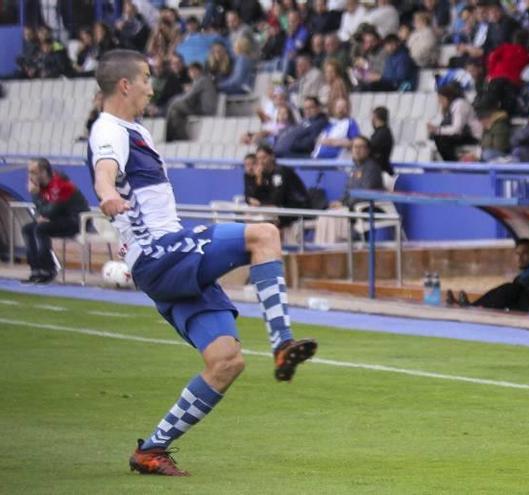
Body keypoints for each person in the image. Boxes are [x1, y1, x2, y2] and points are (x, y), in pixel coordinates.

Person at [88, 50, 317, 476]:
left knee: (226, 360)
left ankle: (152, 450)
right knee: (264, 233)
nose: (152, 88)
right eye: (146, 79)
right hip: (163, 253)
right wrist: (105, 194)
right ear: (125, 85)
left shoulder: (130, 129)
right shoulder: (111, 130)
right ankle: (283, 342)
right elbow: (105, 170)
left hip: (162, 265)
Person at [21, 158, 90, 283]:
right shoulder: (42, 185)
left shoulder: (60, 185)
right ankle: (36, 270)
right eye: (29, 172)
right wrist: (40, 210)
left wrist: (35, 195)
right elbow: (43, 212)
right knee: (27, 229)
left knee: (40, 229)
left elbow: (49, 212)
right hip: (60, 219)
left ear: (43, 172)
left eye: (33, 172)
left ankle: (48, 270)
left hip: (77, 221)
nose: (30, 176)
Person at [313, 136, 385, 244]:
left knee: (333, 217)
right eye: (355, 147)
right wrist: (340, 202)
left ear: (368, 150)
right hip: (350, 207)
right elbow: (347, 190)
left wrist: (345, 205)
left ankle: (336, 247)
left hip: (366, 209)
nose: (357, 150)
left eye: (361, 147)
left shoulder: (372, 168)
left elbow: (366, 193)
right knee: (325, 215)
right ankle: (325, 248)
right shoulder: (355, 168)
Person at [452, 238, 529, 311]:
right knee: (505, 289)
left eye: (525, 253)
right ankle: (473, 306)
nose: (520, 258)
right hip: (516, 308)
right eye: (517, 253)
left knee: (510, 288)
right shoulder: (520, 277)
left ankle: (474, 307)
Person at [247, 144, 311, 232]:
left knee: (267, 218)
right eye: (258, 159)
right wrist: (258, 180)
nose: (261, 162)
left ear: (272, 156)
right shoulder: (263, 174)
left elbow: (276, 198)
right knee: (249, 215)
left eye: (264, 157)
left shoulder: (280, 172)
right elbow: (255, 198)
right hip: (280, 208)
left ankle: (271, 244)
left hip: (296, 207)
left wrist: (261, 204)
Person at [165, 62, 218, 141]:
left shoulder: (203, 80)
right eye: (190, 72)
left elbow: (188, 98)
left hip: (205, 110)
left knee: (173, 105)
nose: (191, 73)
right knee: (174, 113)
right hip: (200, 108)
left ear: (198, 71)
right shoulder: (198, 81)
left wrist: (174, 99)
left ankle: (168, 137)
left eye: (193, 71)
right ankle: (182, 138)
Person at [429, 83, 481, 162]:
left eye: (441, 99)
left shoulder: (459, 105)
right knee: (435, 136)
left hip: (473, 135)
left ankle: (452, 163)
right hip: (464, 133)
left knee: (440, 139)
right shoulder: (452, 106)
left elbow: (457, 129)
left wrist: (438, 130)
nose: (440, 102)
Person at [369, 106, 394, 175]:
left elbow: (370, 149)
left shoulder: (381, 134)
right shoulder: (383, 132)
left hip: (381, 173)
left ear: (375, 117)